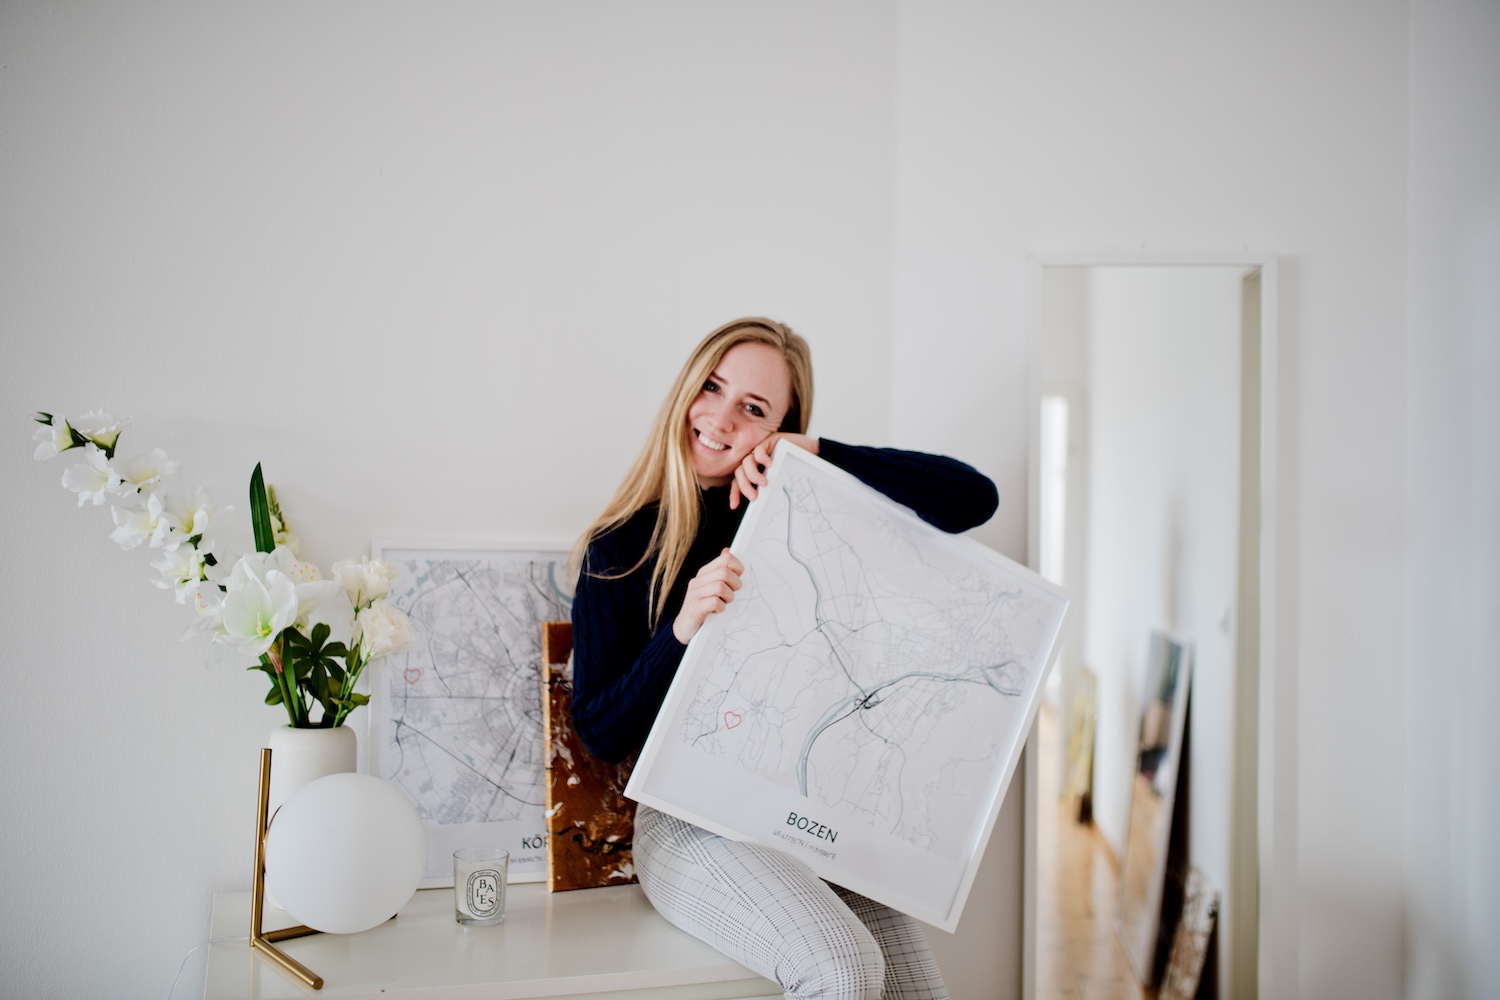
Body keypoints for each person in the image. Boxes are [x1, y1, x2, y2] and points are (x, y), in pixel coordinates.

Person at [570, 317, 999, 1000]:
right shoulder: (619, 548)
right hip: (687, 820)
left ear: (780, 428)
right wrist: (681, 629)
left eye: (754, 408)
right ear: (687, 389)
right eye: (713, 387)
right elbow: (598, 731)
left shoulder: (795, 514)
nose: (721, 419)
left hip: (803, 812)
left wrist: (817, 454)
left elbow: (975, 499)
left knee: (919, 992)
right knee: (844, 969)